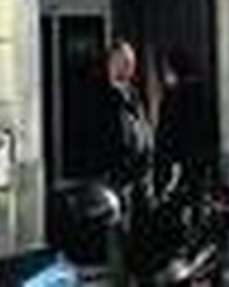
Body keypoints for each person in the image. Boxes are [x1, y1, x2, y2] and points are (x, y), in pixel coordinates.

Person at [97, 38, 154, 283]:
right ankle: (119, 280)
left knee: (134, 234)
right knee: (117, 233)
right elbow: (100, 137)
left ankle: (133, 277)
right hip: (116, 177)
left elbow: (141, 129)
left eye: (132, 62)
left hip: (137, 177)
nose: (132, 67)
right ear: (113, 62)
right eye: (126, 62)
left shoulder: (132, 93)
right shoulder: (102, 94)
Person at [154, 47, 213, 201]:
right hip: (200, 163)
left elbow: (166, 135)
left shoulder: (173, 97)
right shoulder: (201, 93)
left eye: (165, 69)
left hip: (178, 165)